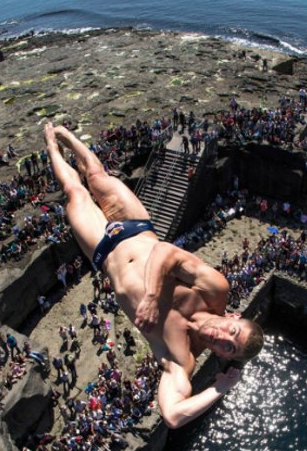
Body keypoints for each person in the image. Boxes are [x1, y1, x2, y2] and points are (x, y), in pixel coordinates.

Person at [43, 123, 263, 428]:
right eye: (233, 333)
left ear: (222, 355)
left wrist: (219, 388)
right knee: (96, 177)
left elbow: (173, 416)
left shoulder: (181, 358)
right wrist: (151, 297)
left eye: (229, 348)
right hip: (137, 227)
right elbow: (166, 253)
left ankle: (52, 146)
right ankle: (67, 136)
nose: (223, 338)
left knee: (75, 191)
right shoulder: (215, 291)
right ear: (235, 317)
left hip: (104, 249)